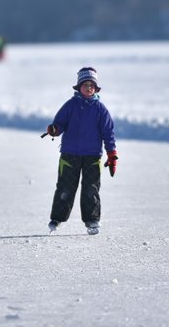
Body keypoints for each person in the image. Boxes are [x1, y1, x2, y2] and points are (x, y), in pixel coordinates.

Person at [45, 67, 118, 235]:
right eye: (85, 84)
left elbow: (108, 133)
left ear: (96, 88)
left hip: (92, 157)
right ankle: (57, 218)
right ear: (79, 87)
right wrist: (55, 129)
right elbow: (60, 123)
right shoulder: (70, 105)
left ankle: (92, 220)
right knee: (65, 187)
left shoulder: (101, 109)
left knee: (91, 188)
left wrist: (111, 153)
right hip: (70, 154)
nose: (88, 88)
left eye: (92, 85)